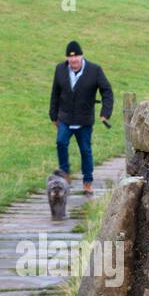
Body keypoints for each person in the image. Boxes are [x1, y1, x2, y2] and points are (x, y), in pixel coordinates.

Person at [49, 41, 113, 196]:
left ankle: (88, 182)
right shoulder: (60, 70)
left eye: (76, 57)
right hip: (64, 117)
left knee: (85, 150)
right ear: (67, 59)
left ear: (81, 56)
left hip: (84, 120)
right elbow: (55, 94)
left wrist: (105, 113)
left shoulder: (94, 70)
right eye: (70, 58)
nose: (74, 61)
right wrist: (53, 116)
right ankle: (64, 174)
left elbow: (107, 91)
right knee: (61, 142)